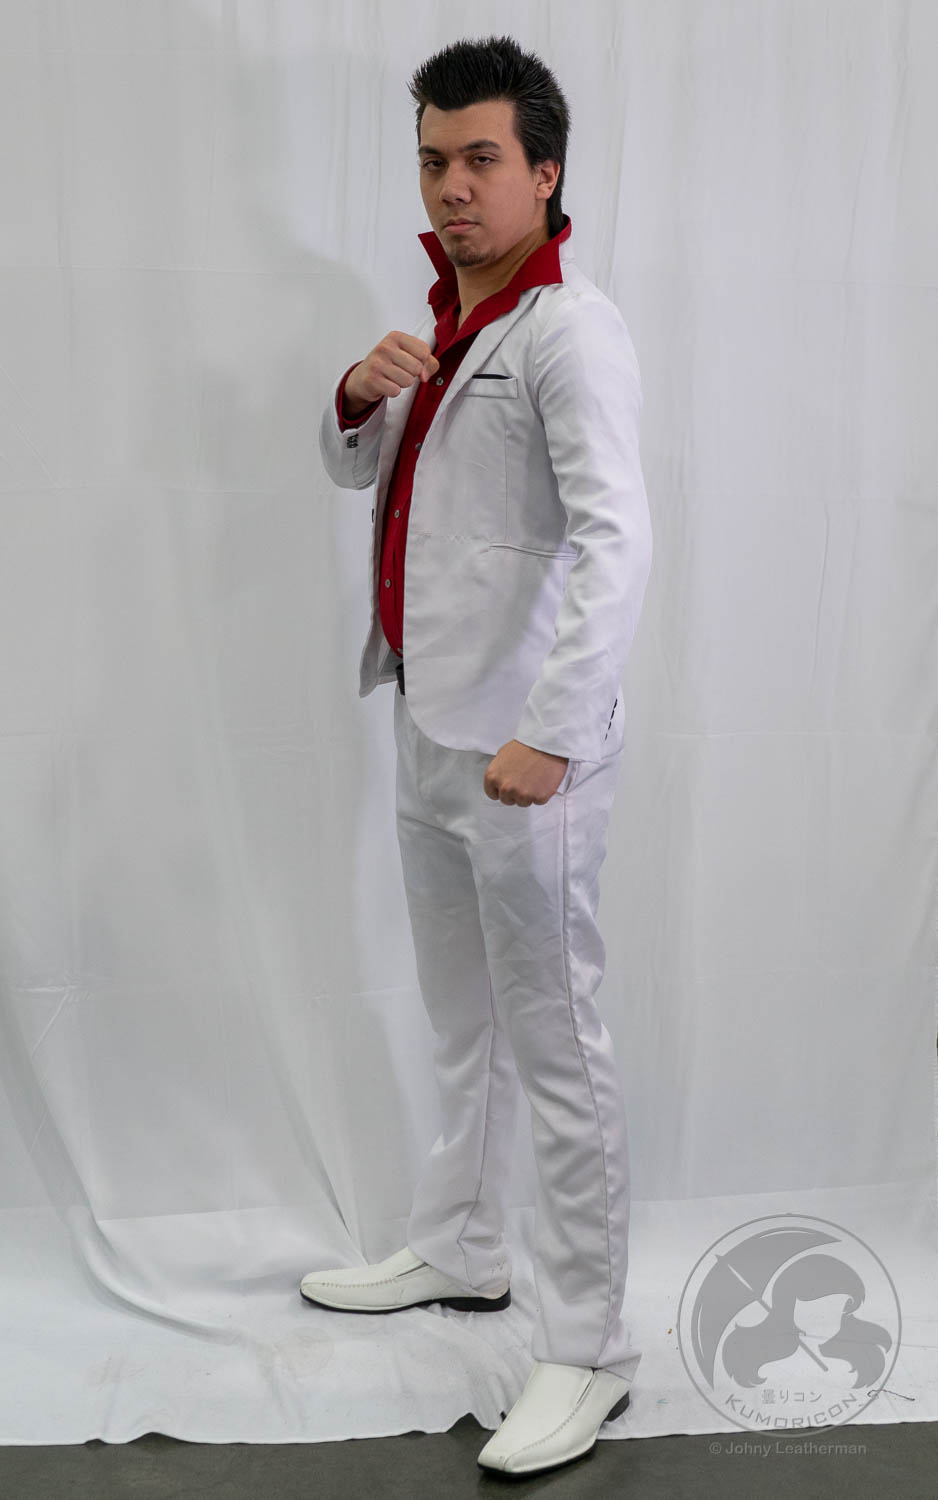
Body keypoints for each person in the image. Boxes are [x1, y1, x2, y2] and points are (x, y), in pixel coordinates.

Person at [309, 34, 653, 1477]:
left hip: (525, 754)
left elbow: (617, 540)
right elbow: (368, 477)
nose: (452, 187)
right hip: (429, 722)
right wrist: (355, 394)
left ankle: (590, 1349)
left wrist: (553, 732)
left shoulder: (569, 332)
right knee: (463, 1022)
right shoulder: (447, 322)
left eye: (481, 161)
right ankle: (460, 1244)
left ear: (545, 172)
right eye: (433, 162)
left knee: (555, 1042)